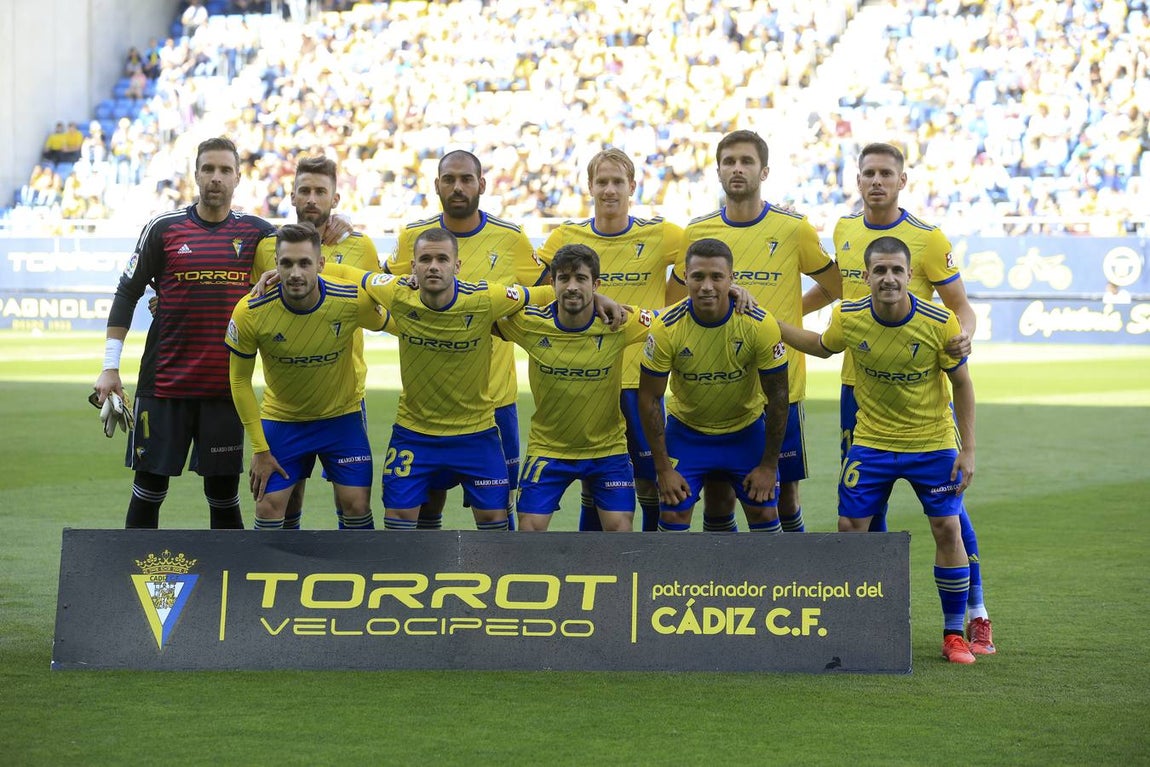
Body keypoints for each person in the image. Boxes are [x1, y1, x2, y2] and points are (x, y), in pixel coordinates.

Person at [803, 142, 994, 654]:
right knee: (865, 505)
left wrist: (964, 336)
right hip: (858, 388)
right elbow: (836, 292)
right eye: (868, 173)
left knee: (949, 514)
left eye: (887, 173)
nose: (877, 181)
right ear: (857, 179)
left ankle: (973, 611)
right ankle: (878, 614)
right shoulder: (844, 231)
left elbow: (960, 307)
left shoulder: (928, 239)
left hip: (920, 392)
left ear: (902, 180)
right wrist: (787, 314)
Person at [779, 235, 979, 664]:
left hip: (932, 442)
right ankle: (856, 623)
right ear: (865, 276)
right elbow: (820, 346)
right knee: (851, 528)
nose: (888, 278)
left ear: (910, 275)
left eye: (897, 271)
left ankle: (953, 633)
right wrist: (772, 325)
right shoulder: (848, 315)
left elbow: (962, 384)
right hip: (871, 441)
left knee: (947, 529)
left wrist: (969, 450)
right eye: (880, 271)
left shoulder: (937, 320)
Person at [92, 136, 277, 529]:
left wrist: (336, 227)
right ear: (195, 175)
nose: (215, 178)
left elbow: (303, 263)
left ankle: (230, 586)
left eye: (225, 170)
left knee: (224, 495)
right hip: (163, 387)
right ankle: (132, 582)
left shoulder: (260, 233)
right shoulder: (164, 228)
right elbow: (127, 292)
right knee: (148, 489)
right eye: (208, 169)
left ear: (238, 178)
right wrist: (110, 368)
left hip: (226, 390)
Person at [674, 129, 842, 533]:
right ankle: (727, 585)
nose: (737, 169)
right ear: (717, 171)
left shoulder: (793, 228)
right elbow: (675, 301)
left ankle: (791, 581)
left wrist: (780, 317)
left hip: (778, 385)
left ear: (763, 171)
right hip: (715, 392)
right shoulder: (697, 232)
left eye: (746, 161)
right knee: (718, 495)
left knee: (782, 495)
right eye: (729, 161)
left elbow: (837, 287)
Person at [355, 228, 569, 531]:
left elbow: (542, 292)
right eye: (425, 259)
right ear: (413, 266)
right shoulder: (397, 293)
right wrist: (280, 276)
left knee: (495, 520)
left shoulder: (486, 298)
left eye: (442, 259)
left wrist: (597, 299)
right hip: (414, 434)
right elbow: (351, 275)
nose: (433, 266)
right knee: (398, 524)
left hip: (476, 434)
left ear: (457, 266)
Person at [386, 150, 545, 530]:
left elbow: (543, 293)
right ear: (437, 185)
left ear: (482, 185)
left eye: (467, 179)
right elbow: (386, 287)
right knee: (425, 502)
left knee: (497, 508)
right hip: (426, 407)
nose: (458, 187)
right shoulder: (413, 237)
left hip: (494, 402)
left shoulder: (511, 237)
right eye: (449, 179)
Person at [536, 148, 684, 532]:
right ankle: (594, 567)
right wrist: (595, 297)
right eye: (601, 182)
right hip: (586, 380)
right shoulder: (565, 238)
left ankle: (648, 557)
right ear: (589, 187)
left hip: (642, 381)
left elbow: (705, 261)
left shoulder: (661, 234)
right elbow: (535, 288)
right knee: (593, 477)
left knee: (650, 478)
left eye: (618, 181)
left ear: (632, 186)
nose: (609, 190)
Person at [227, 222, 388, 529]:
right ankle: (275, 576)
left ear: (321, 265)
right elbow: (239, 381)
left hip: (340, 419)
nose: (296, 273)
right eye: (286, 263)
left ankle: (357, 573)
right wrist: (260, 450)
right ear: (275, 265)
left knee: (356, 504)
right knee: (269, 508)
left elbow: (397, 322)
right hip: (283, 421)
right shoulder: (250, 311)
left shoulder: (350, 300)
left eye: (304, 263)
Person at [252, 155, 382, 530]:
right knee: (286, 497)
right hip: (287, 398)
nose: (312, 199)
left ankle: (355, 575)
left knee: (353, 502)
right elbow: (250, 304)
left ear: (335, 198)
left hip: (343, 393)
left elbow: (374, 304)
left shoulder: (359, 246)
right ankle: (285, 577)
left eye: (320, 191)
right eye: (304, 190)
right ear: (292, 196)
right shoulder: (267, 248)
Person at [495, 243, 654, 531]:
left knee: (620, 530)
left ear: (596, 284)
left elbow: (671, 320)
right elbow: (480, 311)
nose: (571, 287)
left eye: (580, 279)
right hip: (549, 449)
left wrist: (725, 295)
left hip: (607, 450)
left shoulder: (618, 322)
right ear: (552, 283)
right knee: (529, 529)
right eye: (563, 279)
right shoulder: (530, 324)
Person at [639, 238, 790, 532]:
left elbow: (778, 396)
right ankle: (671, 580)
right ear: (685, 277)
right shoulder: (667, 327)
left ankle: (761, 579)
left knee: (764, 513)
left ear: (731, 279)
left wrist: (769, 466)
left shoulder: (759, 324)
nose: (706, 286)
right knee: (672, 514)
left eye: (717, 277)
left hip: (745, 433)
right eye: (698, 276)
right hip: (687, 433)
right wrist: (664, 469)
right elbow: (648, 398)